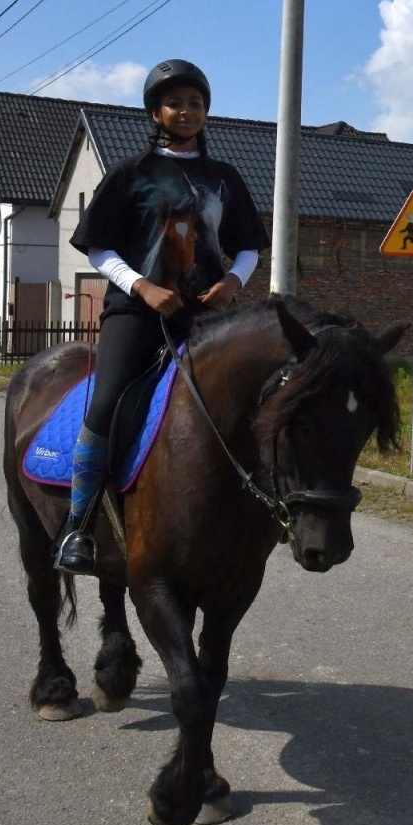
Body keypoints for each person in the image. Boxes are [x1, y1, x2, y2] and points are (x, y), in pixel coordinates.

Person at [54, 59, 270, 575]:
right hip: (136, 312)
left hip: (208, 316)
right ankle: (79, 527)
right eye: (175, 102)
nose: (187, 111)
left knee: (253, 403)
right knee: (106, 404)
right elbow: (98, 249)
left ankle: (267, 513)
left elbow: (248, 248)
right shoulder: (131, 174)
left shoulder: (225, 178)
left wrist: (234, 282)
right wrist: (144, 287)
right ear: (155, 112)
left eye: (196, 103)